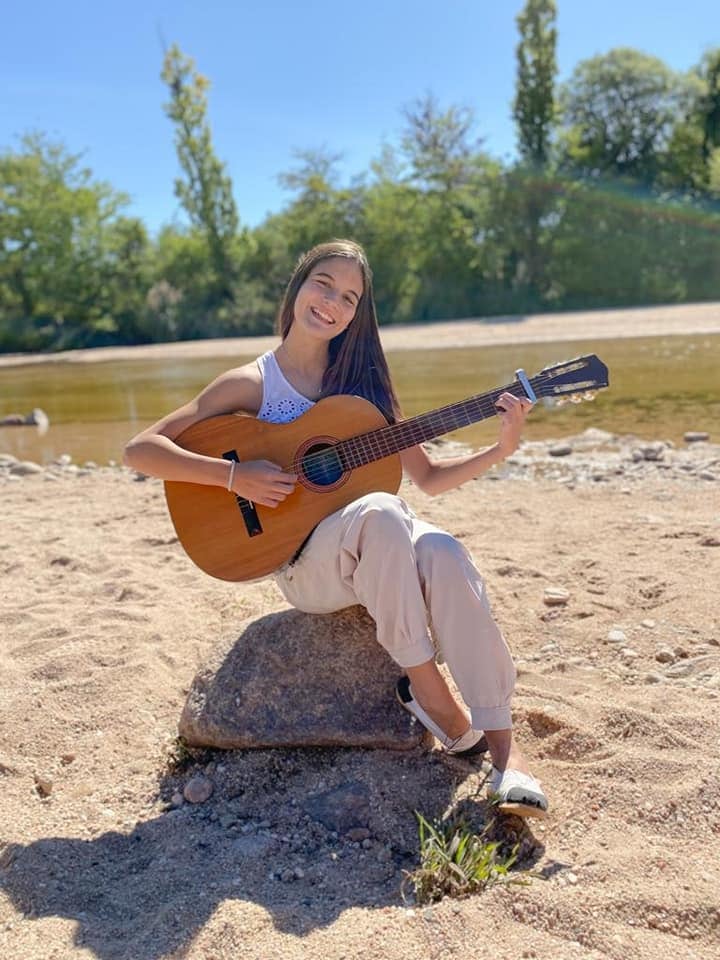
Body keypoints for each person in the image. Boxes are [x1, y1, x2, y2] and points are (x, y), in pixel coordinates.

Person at [124, 238, 548, 818]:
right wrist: (232, 477)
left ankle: (504, 752)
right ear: (298, 285)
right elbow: (141, 450)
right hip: (305, 565)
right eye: (323, 283)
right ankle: (429, 691)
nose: (332, 302)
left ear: (357, 314)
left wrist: (501, 447)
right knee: (380, 511)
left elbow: (427, 477)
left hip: (382, 546)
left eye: (349, 297)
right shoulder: (251, 383)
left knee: (444, 550)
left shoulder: (364, 385)